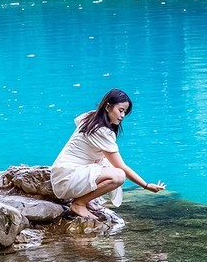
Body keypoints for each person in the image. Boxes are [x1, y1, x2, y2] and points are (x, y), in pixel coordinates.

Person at [50, 89, 165, 218]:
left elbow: (77, 120)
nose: (122, 116)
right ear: (108, 106)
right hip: (67, 179)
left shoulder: (91, 116)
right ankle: (79, 203)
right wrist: (146, 185)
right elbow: (121, 166)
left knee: (106, 161)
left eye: (125, 112)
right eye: (120, 110)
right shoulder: (102, 131)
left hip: (61, 172)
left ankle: (86, 199)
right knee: (118, 175)